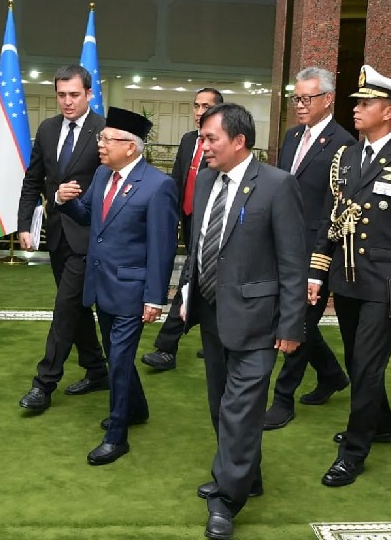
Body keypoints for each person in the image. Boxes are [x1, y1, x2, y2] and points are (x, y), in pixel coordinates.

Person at [178, 103, 306, 540]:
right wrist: (186, 295)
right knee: (220, 405)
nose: (204, 146)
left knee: (240, 410)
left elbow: (293, 263)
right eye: (202, 138)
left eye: (211, 138)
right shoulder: (206, 180)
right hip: (212, 314)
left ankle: (226, 499)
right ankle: (247, 475)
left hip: (259, 322)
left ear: (239, 141)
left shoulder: (277, 185)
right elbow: (198, 247)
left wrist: (291, 326)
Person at [308, 64, 391, 487]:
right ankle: (380, 423)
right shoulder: (346, 157)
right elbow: (333, 218)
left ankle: (353, 451)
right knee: (356, 359)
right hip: (348, 277)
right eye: (358, 102)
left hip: (387, 283)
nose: (357, 108)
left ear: (390, 111)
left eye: (366, 103)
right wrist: (317, 271)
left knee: (366, 365)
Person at [56, 107, 179, 465]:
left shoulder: (158, 186)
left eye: (108, 139)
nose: (101, 144)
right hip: (102, 284)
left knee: (121, 361)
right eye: (102, 138)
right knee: (115, 354)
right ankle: (136, 409)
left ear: (131, 147)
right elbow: (89, 216)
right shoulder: (102, 175)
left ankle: (117, 437)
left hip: (132, 290)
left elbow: (162, 247)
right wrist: (65, 201)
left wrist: (155, 297)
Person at [264, 67, 353, 431]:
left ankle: (283, 399)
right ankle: (331, 374)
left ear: (327, 99)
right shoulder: (292, 137)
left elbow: (337, 208)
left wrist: (320, 261)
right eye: (296, 98)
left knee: (298, 322)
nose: (299, 105)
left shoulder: (344, 144)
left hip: (317, 251)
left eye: (306, 98)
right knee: (293, 318)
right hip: (283, 245)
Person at [16, 64, 109, 412]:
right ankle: (97, 370)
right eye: (61, 95)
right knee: (78, 308)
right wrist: (25, 224)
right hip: (57, 235)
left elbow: (113, 184)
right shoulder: (48, 129)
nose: (67, 101)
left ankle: (44, 383)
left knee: (64, 308)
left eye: (74, 94)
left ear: (89, 94)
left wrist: (81, 202)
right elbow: (33, 180)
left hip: (90, 236)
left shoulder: (105, 131)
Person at [141, 87, 223, 371]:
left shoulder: (222, 144)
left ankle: (166, 348)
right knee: (206, 281)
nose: (199, 112)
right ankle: (218, 340)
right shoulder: (189, 140)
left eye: (206, 107)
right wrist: (170, 216)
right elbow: (177, 181)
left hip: (213, 226)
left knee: (189, 279)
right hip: (189, 220)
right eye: (196, 106)